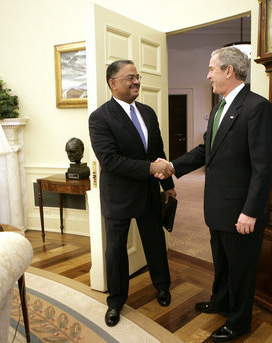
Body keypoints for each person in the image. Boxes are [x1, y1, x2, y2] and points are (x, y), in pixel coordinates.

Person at [156, 47, 272, 342]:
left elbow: (264, 167)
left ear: (229, 71)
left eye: (212, 68)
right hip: (217, 207)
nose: (207, 74)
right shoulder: (219, 108)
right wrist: (173, 166)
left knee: (241, 269)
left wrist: (251, 210)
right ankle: (221, 301)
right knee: (222, 262)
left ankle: (239, 322)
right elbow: (205, 151)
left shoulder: (257, 108)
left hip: (241, 211)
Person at [88, 60, 176, 327]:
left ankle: (162, 287)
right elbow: (110, 160)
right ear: (113, 83)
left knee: (155, 243)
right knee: (115, 251)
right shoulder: (100, 117)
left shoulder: (148, 113)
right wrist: (151, 168)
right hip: (118, 196)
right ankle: (115, 302)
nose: (136, 81)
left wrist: (167, 185)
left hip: (149, 193)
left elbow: (157, 150)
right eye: (130, 77)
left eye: (137, 76)